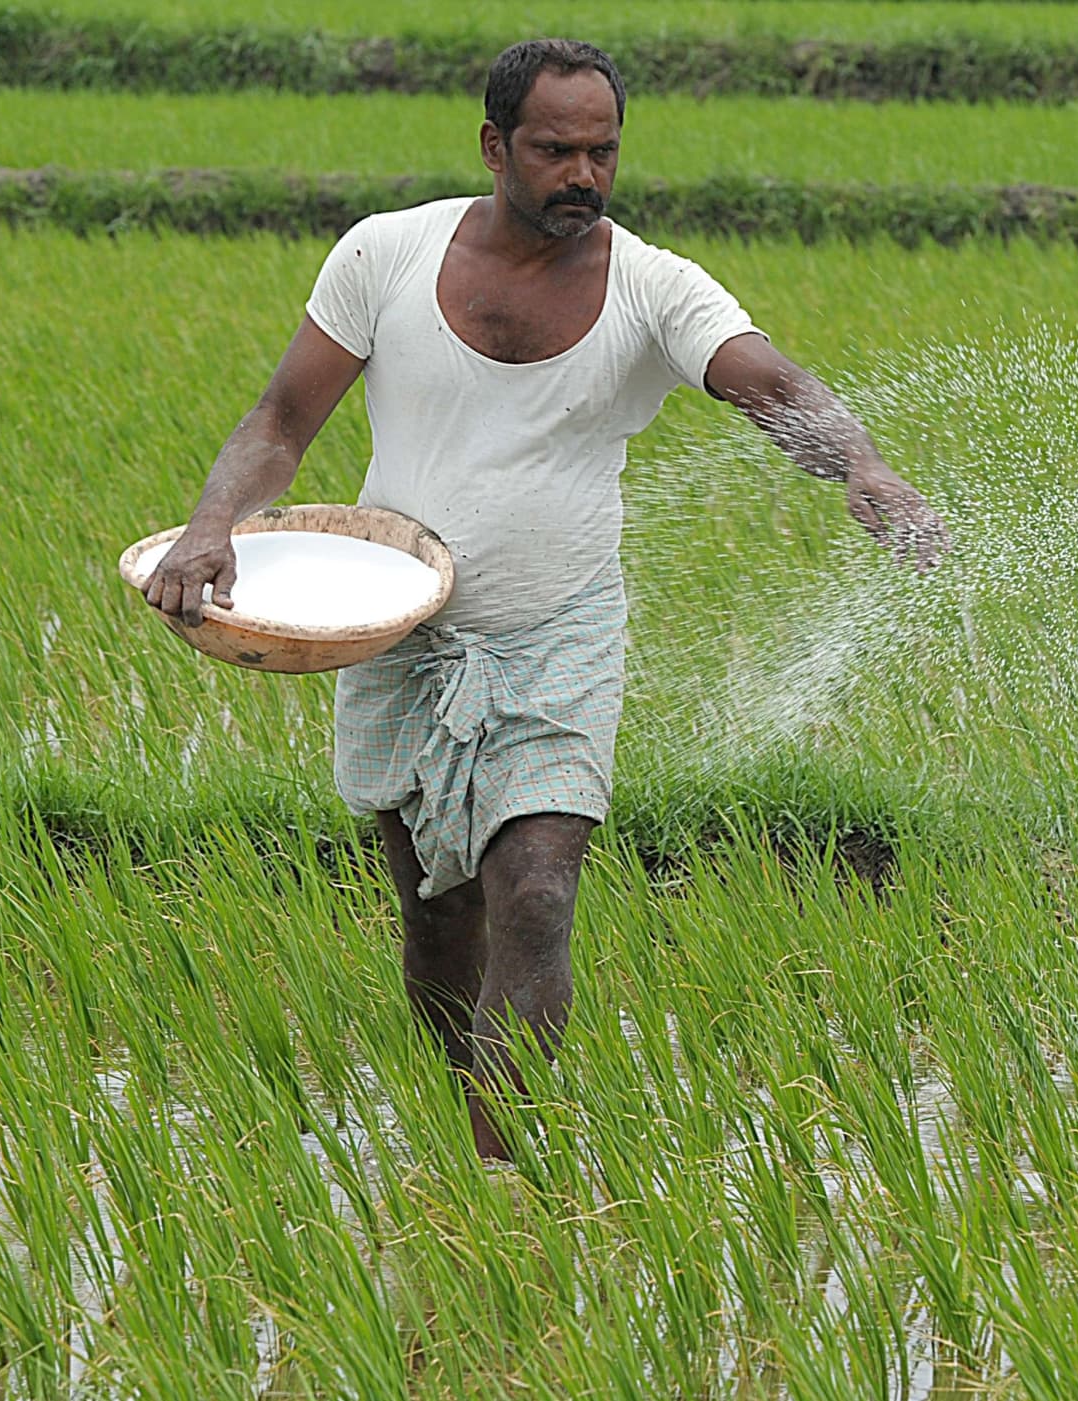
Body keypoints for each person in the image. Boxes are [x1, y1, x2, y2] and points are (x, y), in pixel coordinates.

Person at [144, 38, 947, 1158]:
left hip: (556, 631)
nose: (584, 174)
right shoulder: (385, 256)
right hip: (399, 631)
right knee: (437, 921)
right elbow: (282, 422)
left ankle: (501, 1171)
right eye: (557, 150)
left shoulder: (656, 287)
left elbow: (771, 382)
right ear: (494, 147)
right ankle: (454, 1127)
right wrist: (211, 525)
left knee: (535, 893)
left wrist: (858, 462)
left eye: (603, 151)